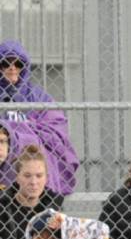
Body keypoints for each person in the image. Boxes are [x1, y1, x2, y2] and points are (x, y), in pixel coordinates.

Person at [0, 40, 79, 196]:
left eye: (18, 64)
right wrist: (26, 127)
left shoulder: (37, 96)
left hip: (31, 159)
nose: (12, 68)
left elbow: (55, 130)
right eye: (5, 63)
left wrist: (15, 132)